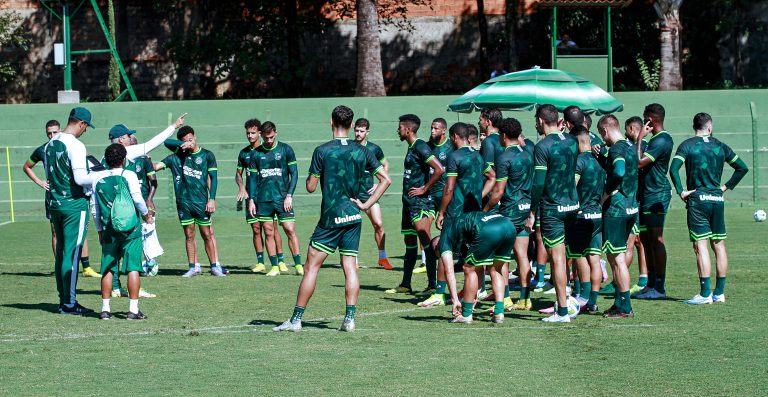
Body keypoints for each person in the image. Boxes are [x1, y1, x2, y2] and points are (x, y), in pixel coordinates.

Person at [273, 105, 391, 332]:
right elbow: (386, 179)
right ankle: (349, 319)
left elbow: (310, 186)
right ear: (351, 125)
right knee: (350, 267)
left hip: (330, 218)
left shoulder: (323, 151)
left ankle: (296, 320)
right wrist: (367, 204)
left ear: (331, 122)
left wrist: (315, 175)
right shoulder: (363, 151)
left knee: (311, 268)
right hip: (354, 216)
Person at [669, 113, 749, 304]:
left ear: (694, 126)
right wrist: (724, 187)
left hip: (698, 200)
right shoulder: (720, 145)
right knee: (719, 245)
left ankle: (705, 294)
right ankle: (719, 293)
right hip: (717, 200)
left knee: (700, 246)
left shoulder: (687, 145)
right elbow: (742, 168)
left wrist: (681, 191)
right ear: (710, 127)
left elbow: (673, 169)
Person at [105, 118, 183, 295]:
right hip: (126, 209)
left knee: (113, 249)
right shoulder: (125, 153)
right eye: (127, 135)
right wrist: (173, 126)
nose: (130, 137)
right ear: (121, 139)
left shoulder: (107, 156)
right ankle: (132, 289)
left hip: (109, 209)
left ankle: (115, 287)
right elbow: (151, 144)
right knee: (132, 248)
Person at [419, 122, 491, 308]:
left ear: (454, 136)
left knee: (444, 249)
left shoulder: (454, 156)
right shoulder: (477, 155)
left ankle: (442, 294)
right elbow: (492, 176)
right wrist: (478, 197)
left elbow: (449, 187)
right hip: (473, 213)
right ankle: (475, 294)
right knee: (472, 256)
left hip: (455, 212)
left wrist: (441, 212)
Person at [23, 120, 99, 277]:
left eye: (55, 132)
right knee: (56, 233)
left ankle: (86, 267)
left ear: (61, 130)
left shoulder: (70, 145)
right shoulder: (43, 149)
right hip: (53, 197)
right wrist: (40, 182)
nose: (52, 135)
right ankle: (61, 265)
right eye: (49, 133)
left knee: (79, 231)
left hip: (71, 196)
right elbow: (27, 166)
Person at [528, 104, 579, 323]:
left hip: (553, 207)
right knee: (568, 256)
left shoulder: (542, 146)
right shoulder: (572, 141)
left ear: (540, 120)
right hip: (572, 205)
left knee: (557, 260)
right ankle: (570, 298)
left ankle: (563, 311)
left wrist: (531, 209)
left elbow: (539, 183)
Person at [92, 144, 154, 320]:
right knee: (133, 267)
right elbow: (137, 198)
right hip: (130, 229)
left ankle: (105, 309)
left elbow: (95, 208)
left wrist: (99, 230)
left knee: (108, 268)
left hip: (109, 230)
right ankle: (133, 310)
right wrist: (146, 215)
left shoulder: (97, 178)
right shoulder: (129, 175)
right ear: (124, 159)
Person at [44, 107, 96, 315]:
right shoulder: (76, 144)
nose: (85, 131)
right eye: (86, 127)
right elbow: (81, 179)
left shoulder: (50, 144)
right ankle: (69, 303)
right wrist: (103, 175)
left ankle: (63, 298)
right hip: (74, 205)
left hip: (55, 204)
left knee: (61, 254)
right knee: (73, 253)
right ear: (81, 123)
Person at [155, 125, 226, 277]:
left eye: (191, 139)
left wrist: (212, 199)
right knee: (189, 235)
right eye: (185, 140)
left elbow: (213, 179)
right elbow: (166, 143)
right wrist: (182, 145)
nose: (189, 142)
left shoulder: (207, 155)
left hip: (201, 202)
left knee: (207, 234)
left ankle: (214, 266)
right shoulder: (177, 156)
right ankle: (193, 267)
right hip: (183, 203)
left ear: (195, 137)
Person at [386, 114, 444, 294]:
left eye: (400, 127)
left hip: (420, 204)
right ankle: (405, 284)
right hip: (408, 203)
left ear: (408, 129)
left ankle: (432, 285)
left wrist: (424, 188)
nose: (398, 130)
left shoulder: (420, 146)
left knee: (425, 241)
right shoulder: (411, 147)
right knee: (409, 243)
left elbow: (439, 169)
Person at [484, 117, 534, 311]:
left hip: (509, 212)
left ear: (503, 135)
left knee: (501, 258)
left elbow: (498, 191)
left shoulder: (505, 157)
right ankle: (525, 299)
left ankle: (504, 299)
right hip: (525, 208)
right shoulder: (527, 153)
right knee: (522, 256)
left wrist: (486, 210)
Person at [247, 121, 304, 276]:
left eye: (271, 137)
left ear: (276, 133)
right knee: (268, 231)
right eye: (266, 138)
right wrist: (252, 200)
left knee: (289, 229)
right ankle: (274, 266)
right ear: (261, 135)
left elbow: (295, 174)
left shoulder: (286, 149)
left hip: (283, 199)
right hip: (264, 200)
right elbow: (252, 179)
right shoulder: (256, 154)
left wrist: (289, 196)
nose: (269, 141)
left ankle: (298, 266)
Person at [438, 212, 515, 324]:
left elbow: (449, 271)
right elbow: (480, 269)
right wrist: (476, 294)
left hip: (489, 228)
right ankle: (499, 312)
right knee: (495, 269)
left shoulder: (443, 240)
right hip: (508, 225)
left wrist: (455, 300)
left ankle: (467, 315)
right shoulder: (459, 228)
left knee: (468, 268)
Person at [597, 115, 639, 318]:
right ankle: (619, 303)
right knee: (617, 258)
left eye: (601, 134)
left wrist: (606, 194)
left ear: (605, 130)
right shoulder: (631, 147)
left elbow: (620, 172)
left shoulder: (617, 149)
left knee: (617, 259)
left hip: (617, 209)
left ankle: (625, 306)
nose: (602, 139)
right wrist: (602, 158)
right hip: (631, 206)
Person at [634, 104, 674, 300]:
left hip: (657, 194)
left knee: (656, 239)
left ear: (650, 118)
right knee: (645, 239)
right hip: (646, 194)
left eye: (644, 118)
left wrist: (640, 138)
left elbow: (639, 162)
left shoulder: (663, 140)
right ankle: (650, 284)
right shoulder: (655, 140)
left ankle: (660, 286)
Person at [565, 126, 606, 313]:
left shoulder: (579, 162)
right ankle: (593, 301)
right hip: (597, 215)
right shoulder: (600, 162)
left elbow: (572, 187)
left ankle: (583, 297)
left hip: (581, 216)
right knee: (595, 258)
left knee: (578, 256)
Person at [236, 119, 285, 273]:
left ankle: (281, 260)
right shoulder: (244, 153)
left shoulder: (267, 151)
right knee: (256, 229)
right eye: (248, 133)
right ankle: (260, 262)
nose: (250, 136)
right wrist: (242, 187)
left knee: (272, 229)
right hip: (252, 197)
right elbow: (238, 174)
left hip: (268, 195)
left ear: (260, 133)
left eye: (253, 133)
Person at [353, 118, 392, 270]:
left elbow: (385, 164)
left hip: (369, 194)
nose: (358, 133)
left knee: (379, 224)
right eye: (356, 130)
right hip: (352, 194)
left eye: (362, 131)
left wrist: (379, 183)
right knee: (353, 226)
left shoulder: (374, 149)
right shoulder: (349, 146)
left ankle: (382, 258)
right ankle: (353, 259)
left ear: (367, 132)